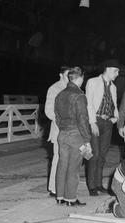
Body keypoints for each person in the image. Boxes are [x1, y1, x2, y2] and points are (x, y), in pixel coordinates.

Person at [54, 66, 91, 207]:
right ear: (80, 78)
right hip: (76, 135)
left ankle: (59, 196)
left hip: (62, 134)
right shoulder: (80, 96)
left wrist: (63, 129)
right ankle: (71, 199)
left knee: (62, 165)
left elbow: (57, 117)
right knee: (73, 167)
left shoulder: (60, 94)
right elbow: (83, 119)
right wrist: (87, 140)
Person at [85, 59, 120, 196]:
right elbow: (88, 103)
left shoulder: (113, 87)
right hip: (96, 121)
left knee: (102, 156)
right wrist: (92, 122)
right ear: (109, 69)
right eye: (116, 71)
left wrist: (115, 118)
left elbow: (114, 105)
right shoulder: (92, 82)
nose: (117, 74)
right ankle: (91, 186)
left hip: (107, 123)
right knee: (94, 155)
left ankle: (99, 184)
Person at [44, 65, 70, 196]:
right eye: (67, 75)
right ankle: (53, 188)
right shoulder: (54, 88)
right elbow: (48, 111)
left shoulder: (73, 88)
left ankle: (63, 185)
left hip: (71, 131)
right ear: (61, 75)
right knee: (58, 158)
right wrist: (63, 120)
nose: (70, 78)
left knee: (68, 159)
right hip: (59, 129)